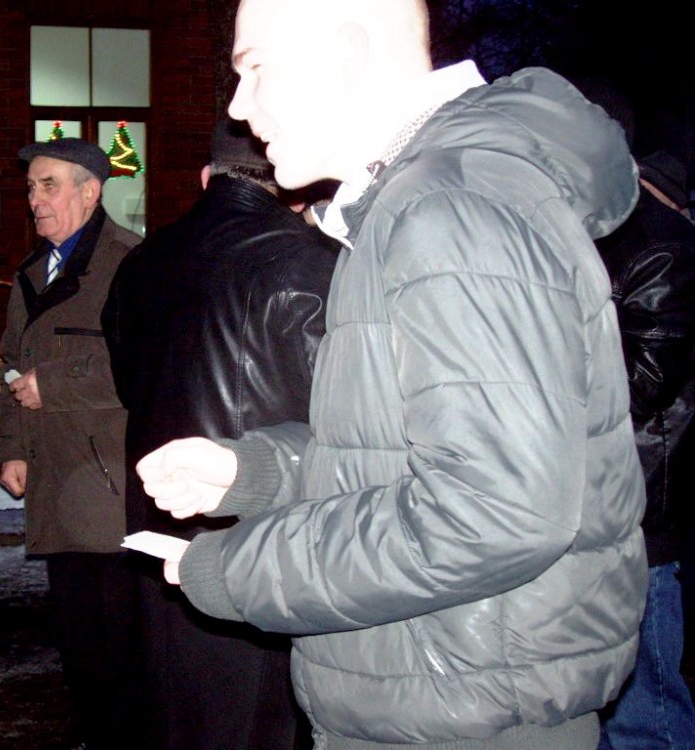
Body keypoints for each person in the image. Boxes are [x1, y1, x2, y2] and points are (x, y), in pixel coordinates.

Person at [135, 1, 649, 748]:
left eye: (256, 69)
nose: (239, 108)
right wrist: (258, 473)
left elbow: (495, 511)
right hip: (444, 687)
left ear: (346, 53)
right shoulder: (418, 200)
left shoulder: (449, 207)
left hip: (463, 709)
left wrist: (238, 569)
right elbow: (420, 459)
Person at [102, 115, 338, 750]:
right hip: (266, 536)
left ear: (207, 178)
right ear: (295, 189)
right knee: (261, 722)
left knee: (179, 715)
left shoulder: (142, 261)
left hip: (159, 521)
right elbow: (344, 418)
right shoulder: (312, 264)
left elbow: (128, 382)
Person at [0, 137, 142, 750]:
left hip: (106, 488)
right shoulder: (32, 272)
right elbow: (9, 365)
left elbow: (142, 363)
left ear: (91, 191)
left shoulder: (131, 263)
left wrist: (51, 385)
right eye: (31, 187)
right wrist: (9, 446)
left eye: (49, 185)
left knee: (119, 642)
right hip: (54, 482)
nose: (34, 199)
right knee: (77, 640)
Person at [595, 149, 695, 749]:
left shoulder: (661, 246)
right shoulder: (613, 239)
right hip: (616, 497)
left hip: (642, 504)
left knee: (646, 701)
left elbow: (642, 384)